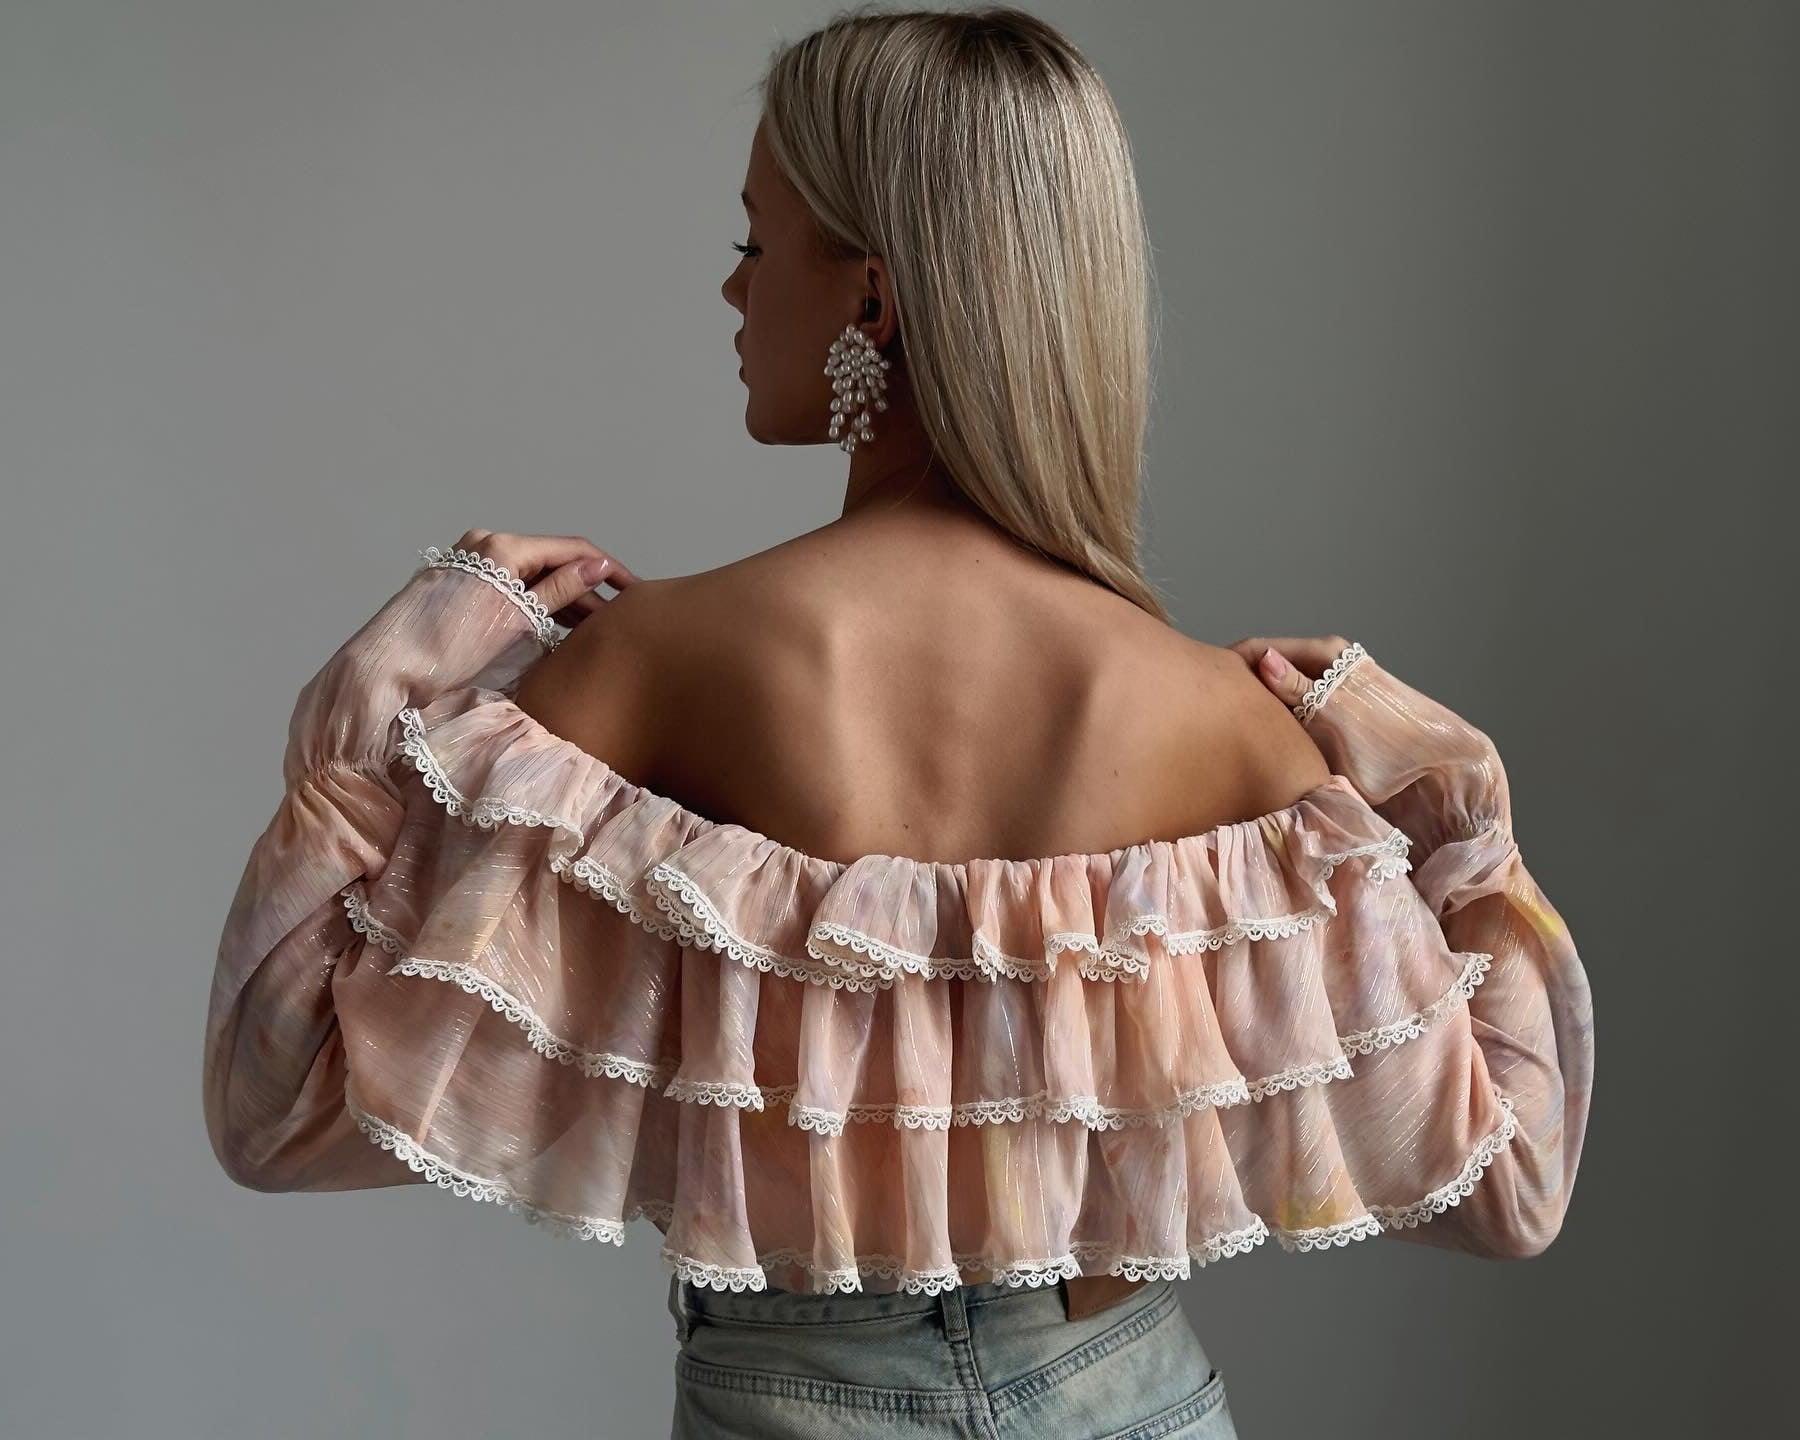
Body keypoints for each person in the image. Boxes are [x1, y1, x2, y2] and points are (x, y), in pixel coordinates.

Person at [201, 8, 1595, 1436]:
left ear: (870, 300)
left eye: (754, 242)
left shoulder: (652, 667)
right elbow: (1513, 1191)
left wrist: (380, 692)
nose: (731, 287)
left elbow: (281, 1110)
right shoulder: (1237, 734)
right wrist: (1457, 809)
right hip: (1133, 1396)